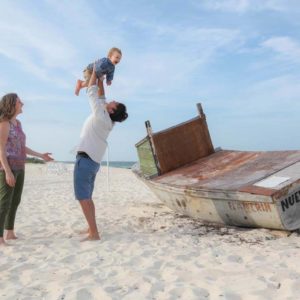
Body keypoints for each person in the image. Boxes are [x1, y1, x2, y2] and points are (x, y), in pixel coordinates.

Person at [74, 62, 128, 241]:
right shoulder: (107, 117)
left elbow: (91, 92)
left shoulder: (101, 115)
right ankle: (91, 229)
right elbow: (101, 95)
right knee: (87, 196)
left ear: (112, 109)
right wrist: (101, 80)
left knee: (83, 198)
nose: (112, 100)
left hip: (86, 160)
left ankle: (94, 233)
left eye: (114, 102)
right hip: (92, 162)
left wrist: (95, 73)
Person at [0, 93, 53, 246]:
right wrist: (7, 171)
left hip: (20, 166)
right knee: (4, 202)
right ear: (12, 105)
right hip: (7, 167)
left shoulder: (18, 123)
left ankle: (9, 232)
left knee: (15, 201)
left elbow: (22, 147)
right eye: (19, 102)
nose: (22, 103)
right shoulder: (4, 123)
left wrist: (40, 155)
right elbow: (1, 149)